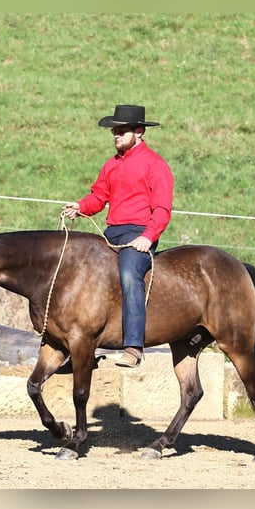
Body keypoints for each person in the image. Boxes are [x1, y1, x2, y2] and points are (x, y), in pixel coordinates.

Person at [63, 104, 174, 368]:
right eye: (115, 130)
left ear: (139, 132)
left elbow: (162, 208)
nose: (116, 135)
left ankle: (134, 347)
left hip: (139, 234)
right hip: (111, 232)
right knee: (81, 276)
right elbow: (99, 196)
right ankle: (77, 347)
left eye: (122, 131)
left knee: (129, 275)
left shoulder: (156, 165)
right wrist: (81, 207)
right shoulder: (111, 165)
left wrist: (148, 237)